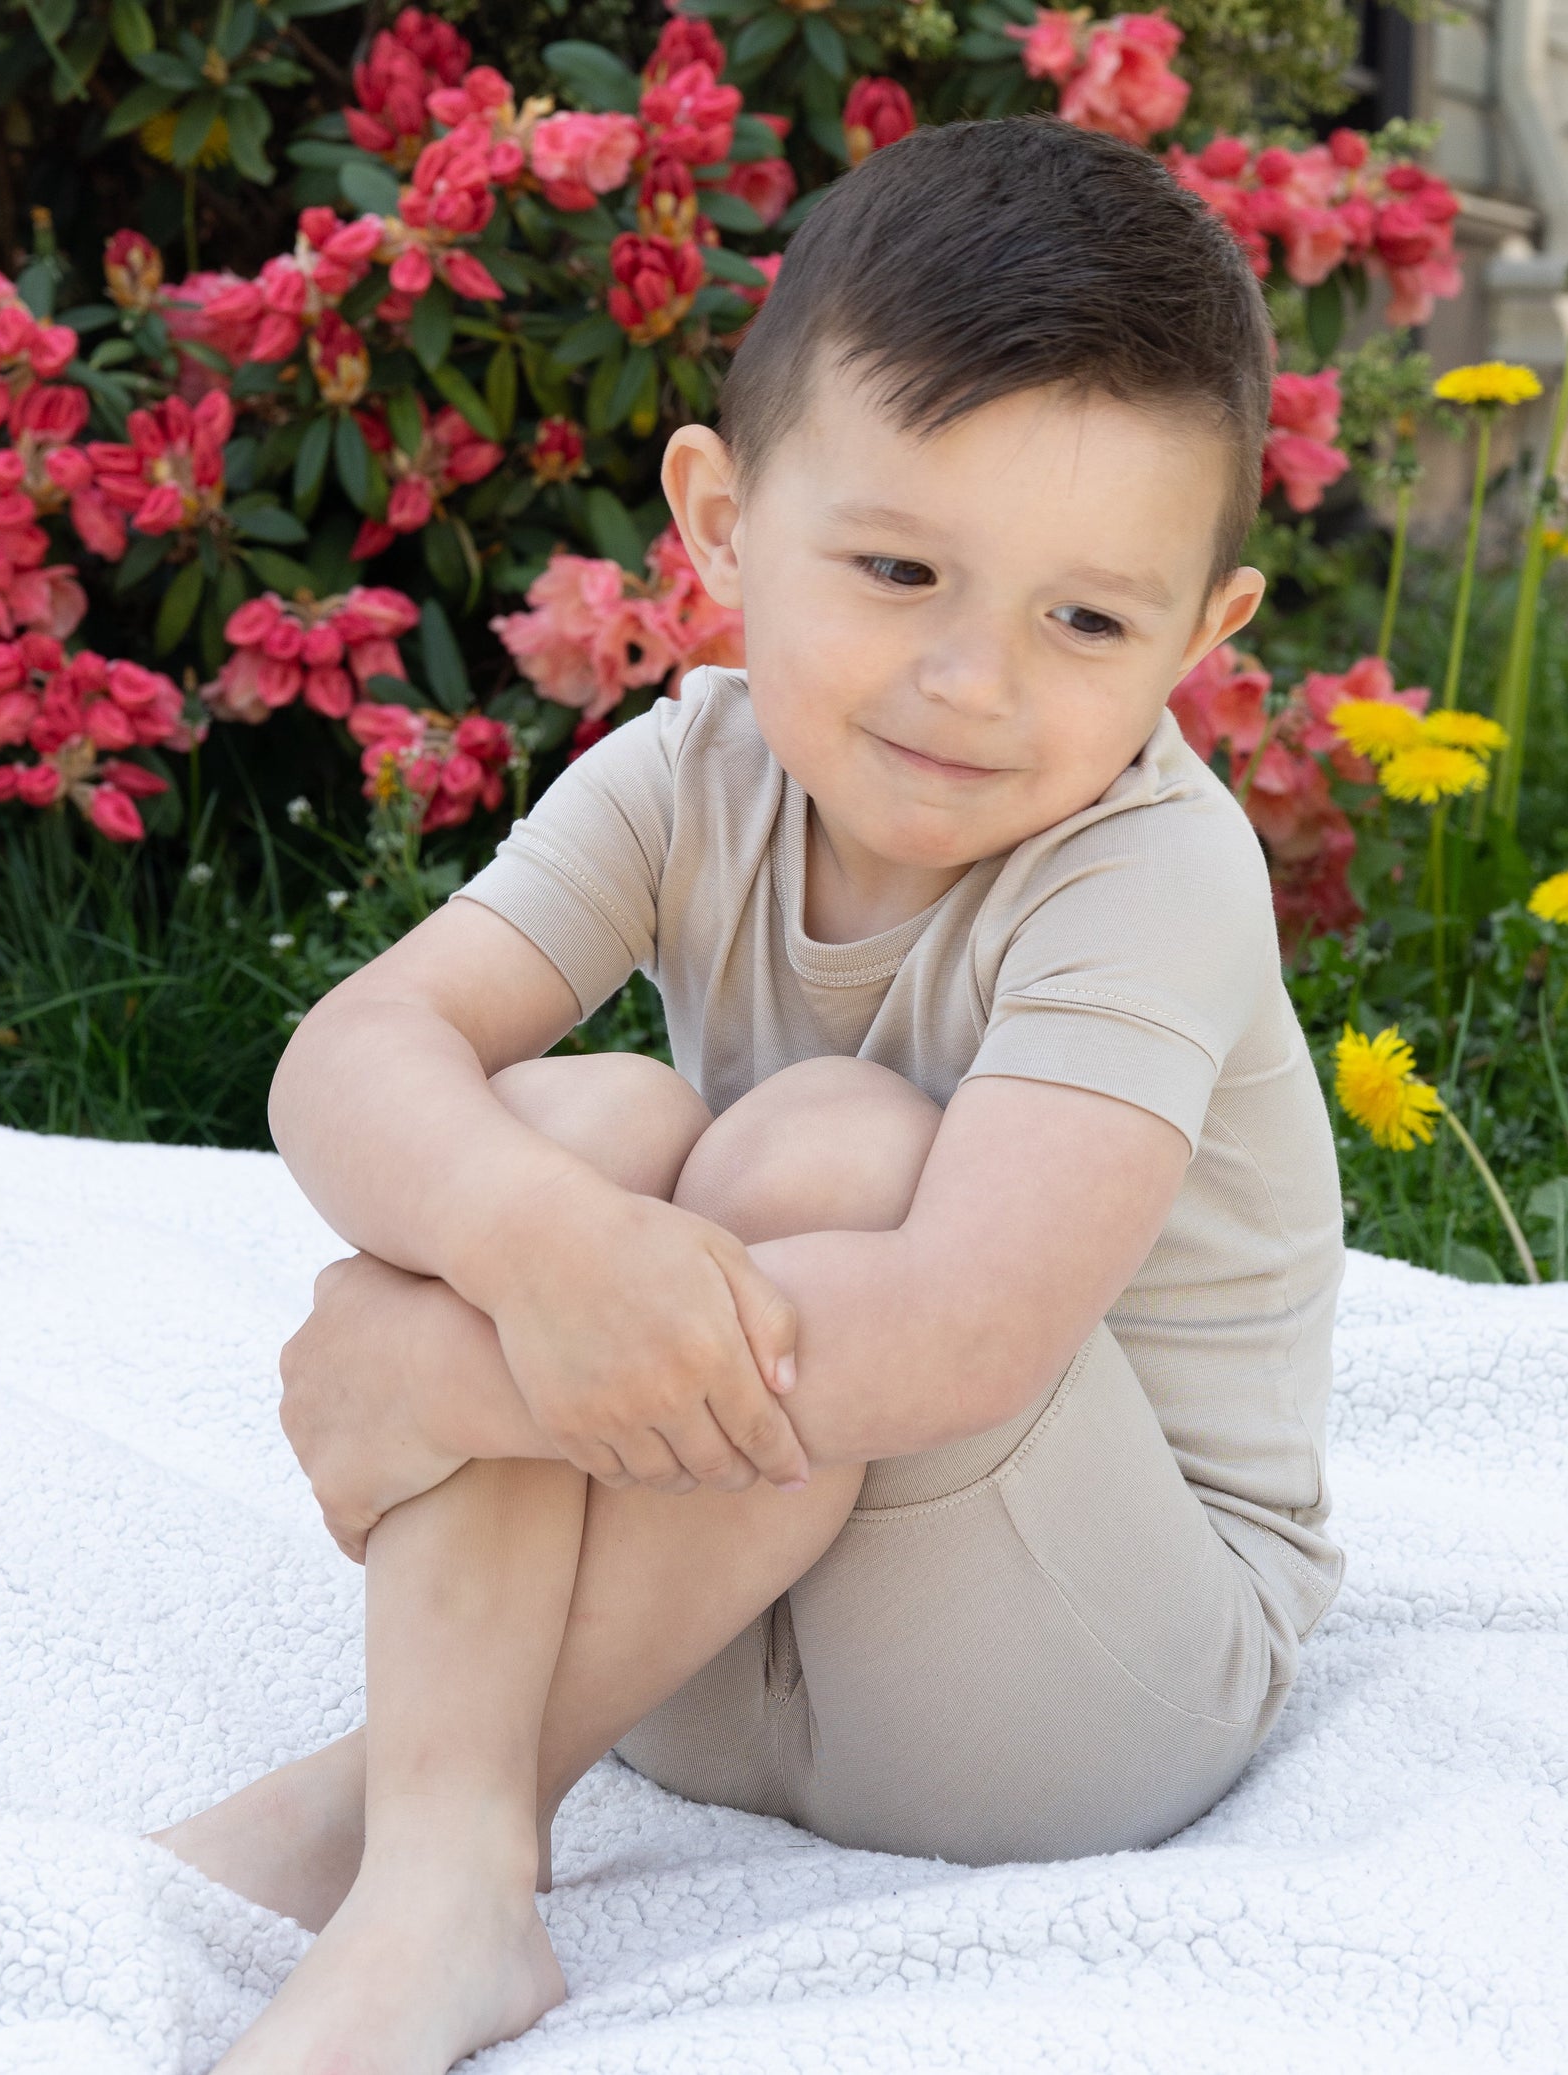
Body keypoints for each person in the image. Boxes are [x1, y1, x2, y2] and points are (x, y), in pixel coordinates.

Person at [150, 113, 1348, 2075]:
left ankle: (412, 1794)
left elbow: (961, 1338)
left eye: (1084, 620)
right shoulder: (685, 768)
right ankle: (447, 1863)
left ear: (1199, 644)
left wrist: (430, 1364)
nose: (970, 680)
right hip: (700, 1631)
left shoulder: (1152, 869)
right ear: (717, 520)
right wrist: (527, 1245)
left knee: (826, 1150)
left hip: (1066, 1688)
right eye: (894, 567)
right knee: (564, 1134)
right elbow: (355, 1054)